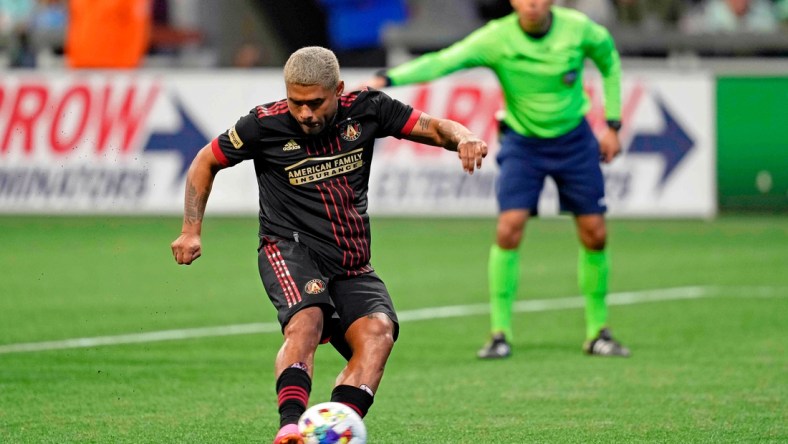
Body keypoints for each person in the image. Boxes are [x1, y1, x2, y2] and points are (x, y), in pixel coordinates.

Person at [170, 46, 487, 444]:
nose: (304, 113)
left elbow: (437, 127)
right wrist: (191, 229)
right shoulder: (261, 125)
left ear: (338, 89)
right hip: (288, 248)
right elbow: (205, 161)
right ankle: (289, 426)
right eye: (295, 102)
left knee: (378, 334)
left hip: (351, 260)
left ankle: (334, 428)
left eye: (315, 103)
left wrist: (466, 137)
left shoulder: (368, 109)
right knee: (307, 320)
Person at [362, 0, 630, 359]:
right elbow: (445, 60)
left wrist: (612, 124)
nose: (532, 3)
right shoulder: (497, 38)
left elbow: (609, 61)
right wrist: (388, 78)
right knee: (509, 228)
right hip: (523, 143)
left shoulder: (579, 29)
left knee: (595, 232)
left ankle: (599, 332)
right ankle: (499, 333)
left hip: (575, 142)